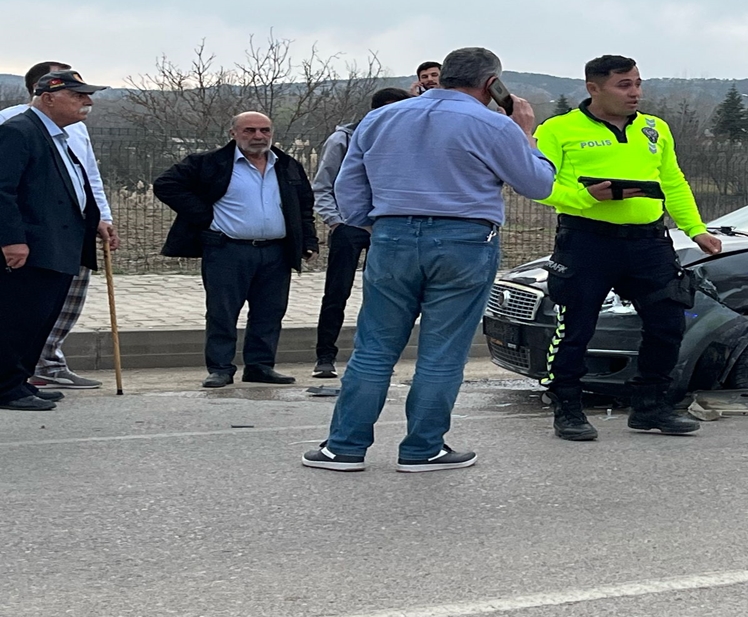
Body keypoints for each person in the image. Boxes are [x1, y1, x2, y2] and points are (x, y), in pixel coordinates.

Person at [303, 47, 554, 474]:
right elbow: (538, 184)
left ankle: (343, 447)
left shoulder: (381, 119)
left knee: (374, 347)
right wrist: (526, 134)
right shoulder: (495, 124)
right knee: (442, 350)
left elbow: (349, 188)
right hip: (465, 240)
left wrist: (375, 225)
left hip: (392, 235)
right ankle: (423, 447)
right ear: (493, 84)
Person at [533, 55, 722, 442]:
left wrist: (696, 229)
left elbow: (673, 181)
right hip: (587, 240)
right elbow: (539, 185)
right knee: (576, 326)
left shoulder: (655, 129)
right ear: (593, 88)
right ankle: (567, 408)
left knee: (668, 323)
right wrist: (587, 197)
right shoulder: (557, 129)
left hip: (648, 242)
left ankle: (650, 406)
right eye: (624, 85)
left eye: (637, 83)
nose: (635, 92)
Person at [153, 112, 319, 388]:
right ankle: (220, 367)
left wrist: (308, 241)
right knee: (223, 311)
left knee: (270, 311)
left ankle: (260, 366)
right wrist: (204, 216)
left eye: (264, 130)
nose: (258, 136)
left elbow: (303, 207)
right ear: (233, 133)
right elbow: (166, 185)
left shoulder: (287, 165)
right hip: (227, 250)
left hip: (275, 252)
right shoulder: (209, 163)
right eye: (249, 130)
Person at [0, 61, 120, 391]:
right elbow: (2, 188)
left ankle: (21, 382)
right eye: (78, 95)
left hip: (64, 240)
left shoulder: (65, 133)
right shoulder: (16, 128)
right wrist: (11, 239)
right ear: (48, 96)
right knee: (19, 318)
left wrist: (99, 219)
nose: (88, 101)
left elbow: (85, 179)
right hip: (33, 243)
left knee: (42, 319)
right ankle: (8, 386)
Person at [312, 87, 413, 379]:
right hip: (349, 227)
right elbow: (323, 184)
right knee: (336, 292)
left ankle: (373, 357)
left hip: (388, 227)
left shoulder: (405, 142)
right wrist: (335, 221)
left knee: (383, 295)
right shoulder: (343, 138)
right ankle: (325, 357)